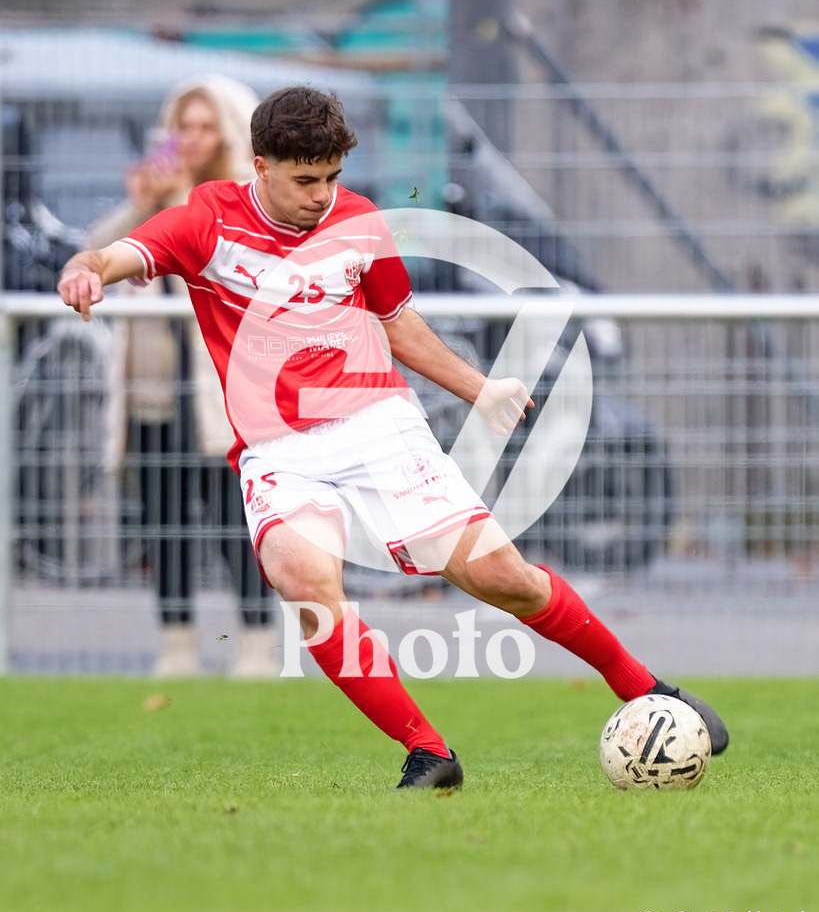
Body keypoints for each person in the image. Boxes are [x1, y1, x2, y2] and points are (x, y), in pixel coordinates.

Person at [58, 85, 728, 790]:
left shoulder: (359, 222)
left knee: (500, 579)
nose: (322, 195)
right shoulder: (207, 222)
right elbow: (114, 256)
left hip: (376, 425)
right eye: (304, 179)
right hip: (277, 448)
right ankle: (427, 752)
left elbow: (399, 325)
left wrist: (480, 387)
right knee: (300, 579)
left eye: (332, 177)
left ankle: (646, 686)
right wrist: (83, 271)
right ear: (260, 166)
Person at [85, 74, 277, 677]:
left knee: (232, 521)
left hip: (219, 394)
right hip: (153, 391)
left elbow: (210, 255)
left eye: (204, 126)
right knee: (162, 523)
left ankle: (253, 644)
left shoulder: (237, 196)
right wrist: (141, 202)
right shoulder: (156, 194)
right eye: (182, 127)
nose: (191, 139)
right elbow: (96, 255)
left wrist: (168, 203)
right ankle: (175, 645)